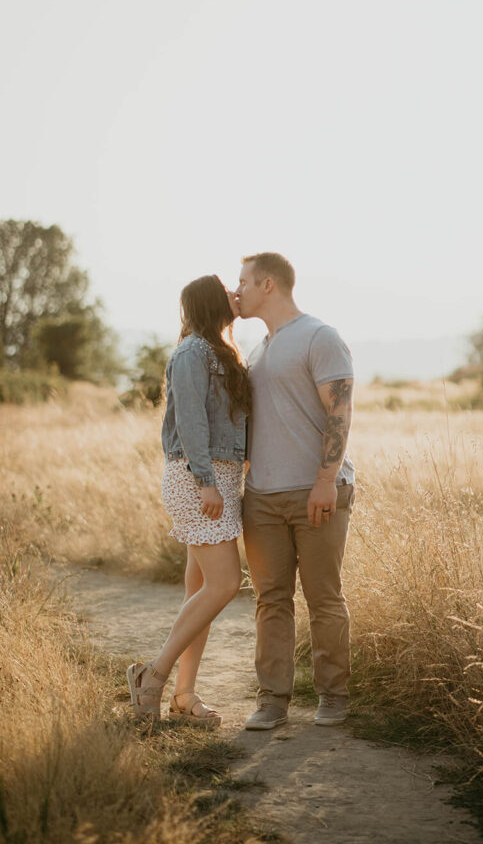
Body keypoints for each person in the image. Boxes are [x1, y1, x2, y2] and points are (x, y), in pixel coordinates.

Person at [235, 252, 355, 730]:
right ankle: (272, 702)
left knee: (324, 597)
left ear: (267, 284)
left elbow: (340, 413)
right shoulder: (259, 348)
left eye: (242, 281)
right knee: (271, 600)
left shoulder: (319, 337)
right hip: (261, 496)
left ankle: (333, 697)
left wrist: (325, 481)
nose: (236, 289)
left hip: (316, 492)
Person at [126, 274, 250, 726]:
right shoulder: (192, 352)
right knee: (224, 585)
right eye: (230, 289)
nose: (237, 294)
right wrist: (206, 482)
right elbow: (194, 421)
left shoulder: (219, 349)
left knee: (199, 592)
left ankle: (184, 696)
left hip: (219, 479)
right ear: (212, 301)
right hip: (199, 480)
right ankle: (152, 678)